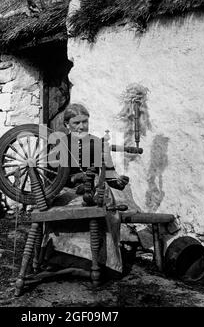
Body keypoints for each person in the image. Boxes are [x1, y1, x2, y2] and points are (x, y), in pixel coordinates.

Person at [40, 103, 136, 277]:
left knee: (103, 202)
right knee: (65, 208)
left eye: (85, 122)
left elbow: (110, 175)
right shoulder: (58, 145)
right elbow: (50, 179)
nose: (82, 126)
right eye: (76, 123)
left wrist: (118, 182)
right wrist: (74, 179)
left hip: (92, 190)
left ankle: (102, 261)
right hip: (66, 192)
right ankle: (61, 258)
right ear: (67, 125)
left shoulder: (96, 143)